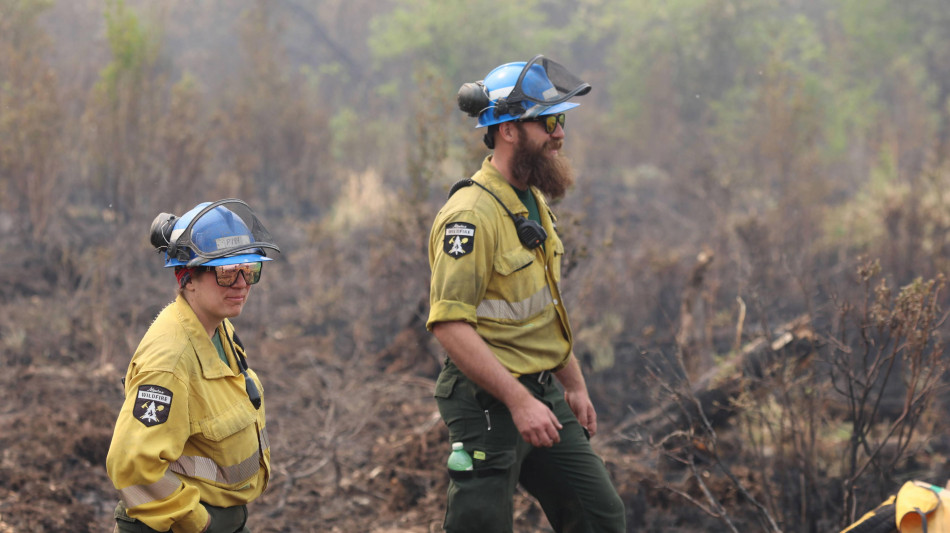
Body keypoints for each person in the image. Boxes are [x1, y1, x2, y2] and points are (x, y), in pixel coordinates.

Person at [426, 55, 626, 532]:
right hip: (488, 403)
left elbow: (537, 310)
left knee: (599, 516)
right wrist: (518, 402)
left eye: (561, 121)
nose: (560, 133)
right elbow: (450, 325)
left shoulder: (530, 200)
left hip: (540, 390)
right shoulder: (471, 216)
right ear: (509, 129)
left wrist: (572, 383)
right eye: (548, 121)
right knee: (482, 525)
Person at [106, 199, 280, 533]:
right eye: (226, 272)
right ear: (188, 278)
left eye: (251, 270)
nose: (242, 283)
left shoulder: (218, 327)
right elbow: (131, 466)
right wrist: (198, 523)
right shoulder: (169, 361)